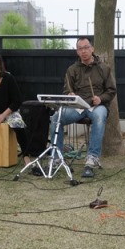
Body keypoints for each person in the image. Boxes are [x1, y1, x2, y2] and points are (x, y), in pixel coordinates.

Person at [49, 36, 117, 178]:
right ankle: (56, 157)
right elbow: (66, 90)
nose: (84, 51)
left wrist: (101, 98)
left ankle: (92, 158)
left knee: (99, 117)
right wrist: (70, 94)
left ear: (92, 49)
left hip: (97, 106)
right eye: (80, 49)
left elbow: (111, 90)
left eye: (86, 48)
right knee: (56, 117)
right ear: (77, 51)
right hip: (78, 107)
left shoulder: (104, 68)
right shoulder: (72, 69)